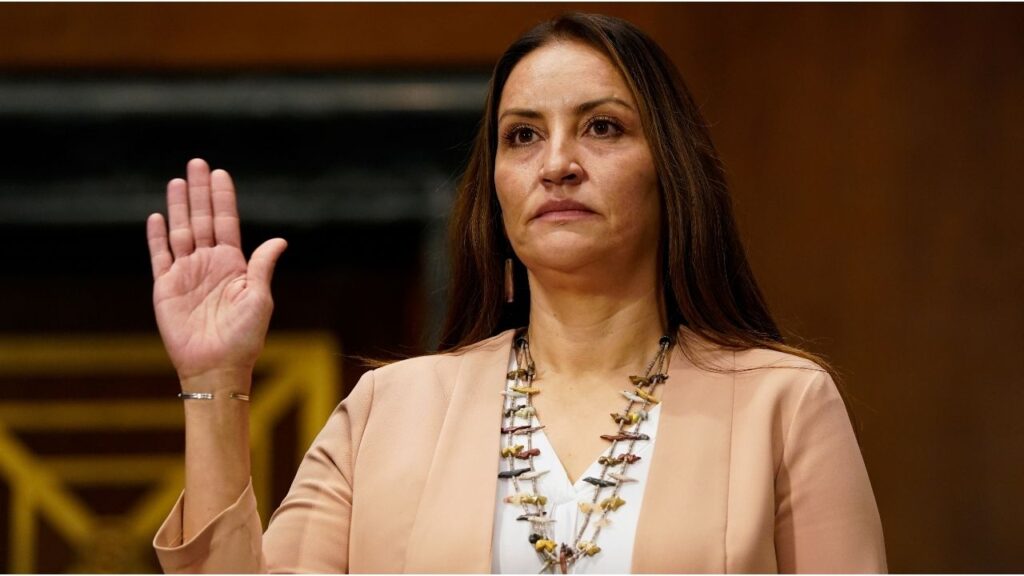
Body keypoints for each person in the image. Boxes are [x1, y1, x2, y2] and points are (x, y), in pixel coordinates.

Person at [148, 12, 886, 574]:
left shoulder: (782, 404)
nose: (558, 163)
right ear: (494, 188)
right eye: (523, 136)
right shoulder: (386, 412)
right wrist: (214, 382)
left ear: (671, 174)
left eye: (601, 127)